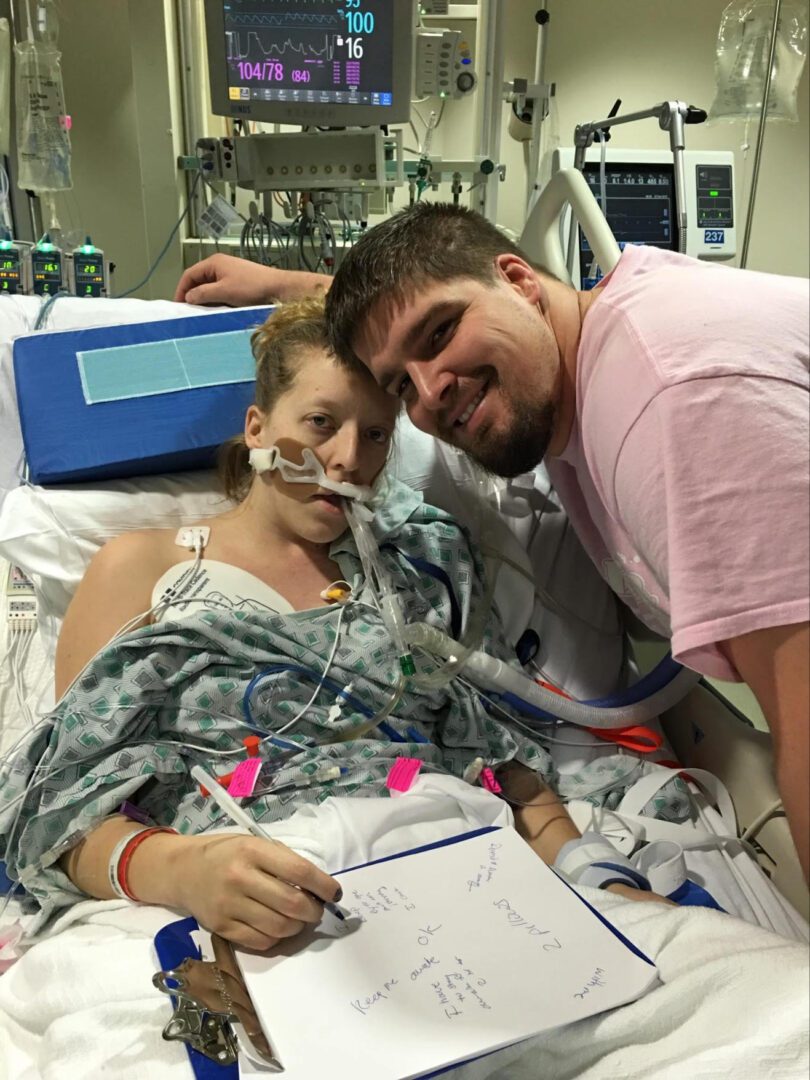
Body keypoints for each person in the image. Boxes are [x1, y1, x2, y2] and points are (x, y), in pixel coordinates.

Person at [1, 299, 674, 956]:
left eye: (376, 434)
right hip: (267, 889)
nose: (350, 457)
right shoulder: (141, 567)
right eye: (321, 422)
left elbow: (497, 755)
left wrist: (591, 871)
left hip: (456, 856)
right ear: (258, 428)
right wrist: (183, 870)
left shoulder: (417, 566)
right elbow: (63, 808)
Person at [175, 209, 810, 883]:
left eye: (440, 333)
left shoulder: (674, 406)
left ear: (519, 278)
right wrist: (285, 285)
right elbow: (426, 307)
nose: (431, 391)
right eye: (400, 385)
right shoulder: (594, 354)